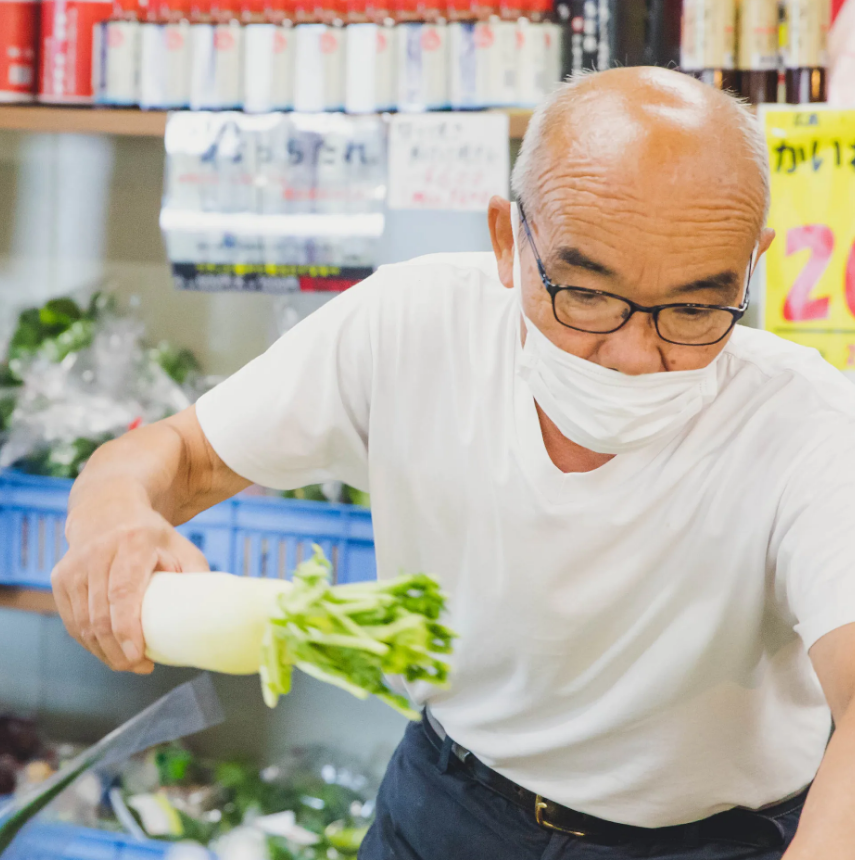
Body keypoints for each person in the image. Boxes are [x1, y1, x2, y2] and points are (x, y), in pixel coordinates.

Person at [51, 67, 855, 859]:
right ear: (509, 240)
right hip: (450, 802)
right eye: (586, 293)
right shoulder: (414, 325)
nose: (634, 353)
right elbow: (179, 456)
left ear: (751, 265)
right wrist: (114, 515)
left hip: (706, 842)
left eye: (692, 307)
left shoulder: (805, 421)